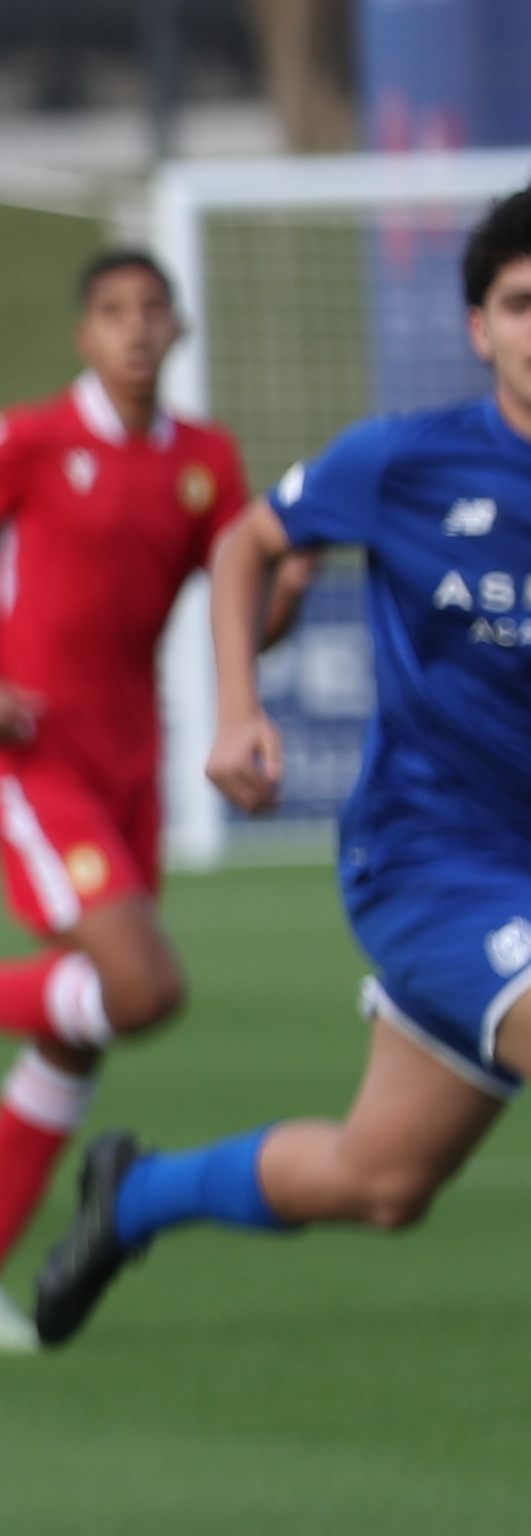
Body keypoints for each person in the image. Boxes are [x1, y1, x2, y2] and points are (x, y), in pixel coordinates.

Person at [37, 181, 531, 1341]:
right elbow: (248, 539)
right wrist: (236, 708)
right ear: (480, 330)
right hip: (434, 861)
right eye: (521, 304)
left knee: (380, 1181)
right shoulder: (408, 463)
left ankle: (135, 1194)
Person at [0, 253, 257, 1351]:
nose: (136, 330)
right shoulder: (32, 438)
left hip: (134, 763)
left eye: (153, 312)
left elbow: (243, 595)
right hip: (34, 753)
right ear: (83, 336)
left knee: (83, 1030)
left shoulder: (205, 459)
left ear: (179, 329)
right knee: (143, 987)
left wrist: (284, 580)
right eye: (113, 313)